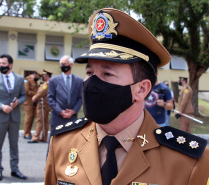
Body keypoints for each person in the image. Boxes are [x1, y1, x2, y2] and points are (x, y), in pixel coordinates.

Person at [44, 8, 209, 185]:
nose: (92, 83)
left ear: (141, 89)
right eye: (90, 72)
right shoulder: (62, 143)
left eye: (107, 74)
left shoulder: (189, 162)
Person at [0, 54, 27, 181]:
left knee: (14, 145)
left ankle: (15, 169)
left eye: (3, 63)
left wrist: (17, 103)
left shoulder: (19, 79)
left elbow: (23, 96)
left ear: (10, 65)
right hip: (0, 117)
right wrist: (1, 106)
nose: (1, 66)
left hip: (14, 118)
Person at [47, 55, 83, 130]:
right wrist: (60, 111)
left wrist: (73, 111)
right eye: (61, 64)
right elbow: (50, 98)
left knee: (71, 141)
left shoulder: (79, 81)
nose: (63, 66)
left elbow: (80, 98)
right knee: (55, 141)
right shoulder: (54, 80)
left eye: (65, 64)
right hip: (57, 118)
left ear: (71, 65)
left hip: (72, 118)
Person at [28, 69, 53, 143]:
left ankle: (35, 137)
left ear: (47, 76)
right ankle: (44, 137)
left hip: (42, 105)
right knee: (44, 121)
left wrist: (35, 97)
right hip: (44, 104)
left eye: (43, 75)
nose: (42, 77)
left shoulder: (47, 84)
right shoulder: (46, 83)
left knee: (39, 121)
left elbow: (42, 92)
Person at [23, 70, 41, 139]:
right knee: (28, 117)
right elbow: (26, 91)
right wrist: (36, 95)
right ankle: (26, 133)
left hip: (33, 102)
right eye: (38, 77)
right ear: (35, 74)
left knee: (32, 117)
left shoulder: (35, 81)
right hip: (27, 102)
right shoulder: (27, 80)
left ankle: (29, 132)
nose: (38, 79)